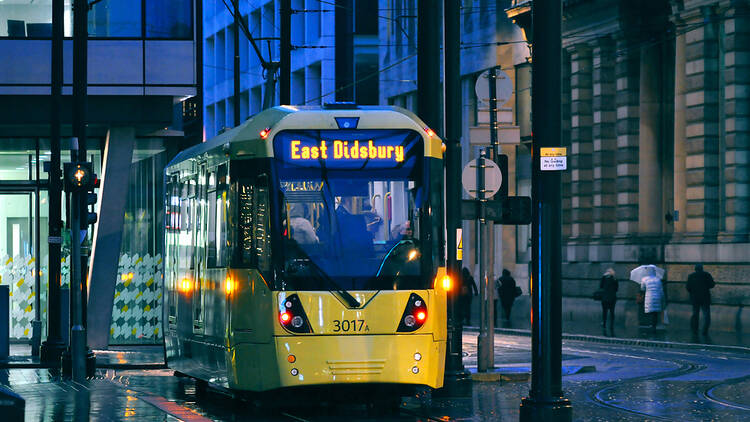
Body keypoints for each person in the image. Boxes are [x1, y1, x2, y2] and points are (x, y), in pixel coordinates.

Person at [686, 263, 715, 335]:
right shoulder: (707, 275)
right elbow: (712, 285)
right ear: (702, 268)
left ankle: (694, 330)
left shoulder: (691, 276)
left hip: (695, 298)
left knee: (695, 314)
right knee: (706, 315)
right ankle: (705, 330)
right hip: (705, 298)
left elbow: (688, 288)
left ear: (695, 269)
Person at [640, 266, 665, 330]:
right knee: (655, 313)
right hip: (657, 297)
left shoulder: (644, 279)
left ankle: (650, 324)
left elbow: (642, 289)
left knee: (650, 311)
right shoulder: (658, 279)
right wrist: (662, 298)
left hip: (649, 297)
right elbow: (661, 290)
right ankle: (654, 325)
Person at [599, 268, 618, 334]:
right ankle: (611, 325)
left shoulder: (604, 279)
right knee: (612, 312)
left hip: (605, 298)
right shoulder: (615, 279)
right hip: (612, 298)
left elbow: (600, 286)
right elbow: (616, 289)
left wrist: (603, 276)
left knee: (604, 311)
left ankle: (604, 324)